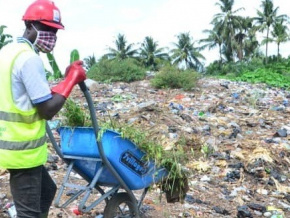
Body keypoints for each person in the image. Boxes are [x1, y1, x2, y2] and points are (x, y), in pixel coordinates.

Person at [0, 0, 86, 217]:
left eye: (55, 31)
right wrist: (71, 80)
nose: (52, 36)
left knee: (47, 190)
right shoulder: (29, 59)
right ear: (29, 26)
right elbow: (47, 109)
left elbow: (33, 95)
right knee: (29, 213)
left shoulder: (8, 52)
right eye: (47, 29)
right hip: (23, 151)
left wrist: (64, 82)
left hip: (10, 145)